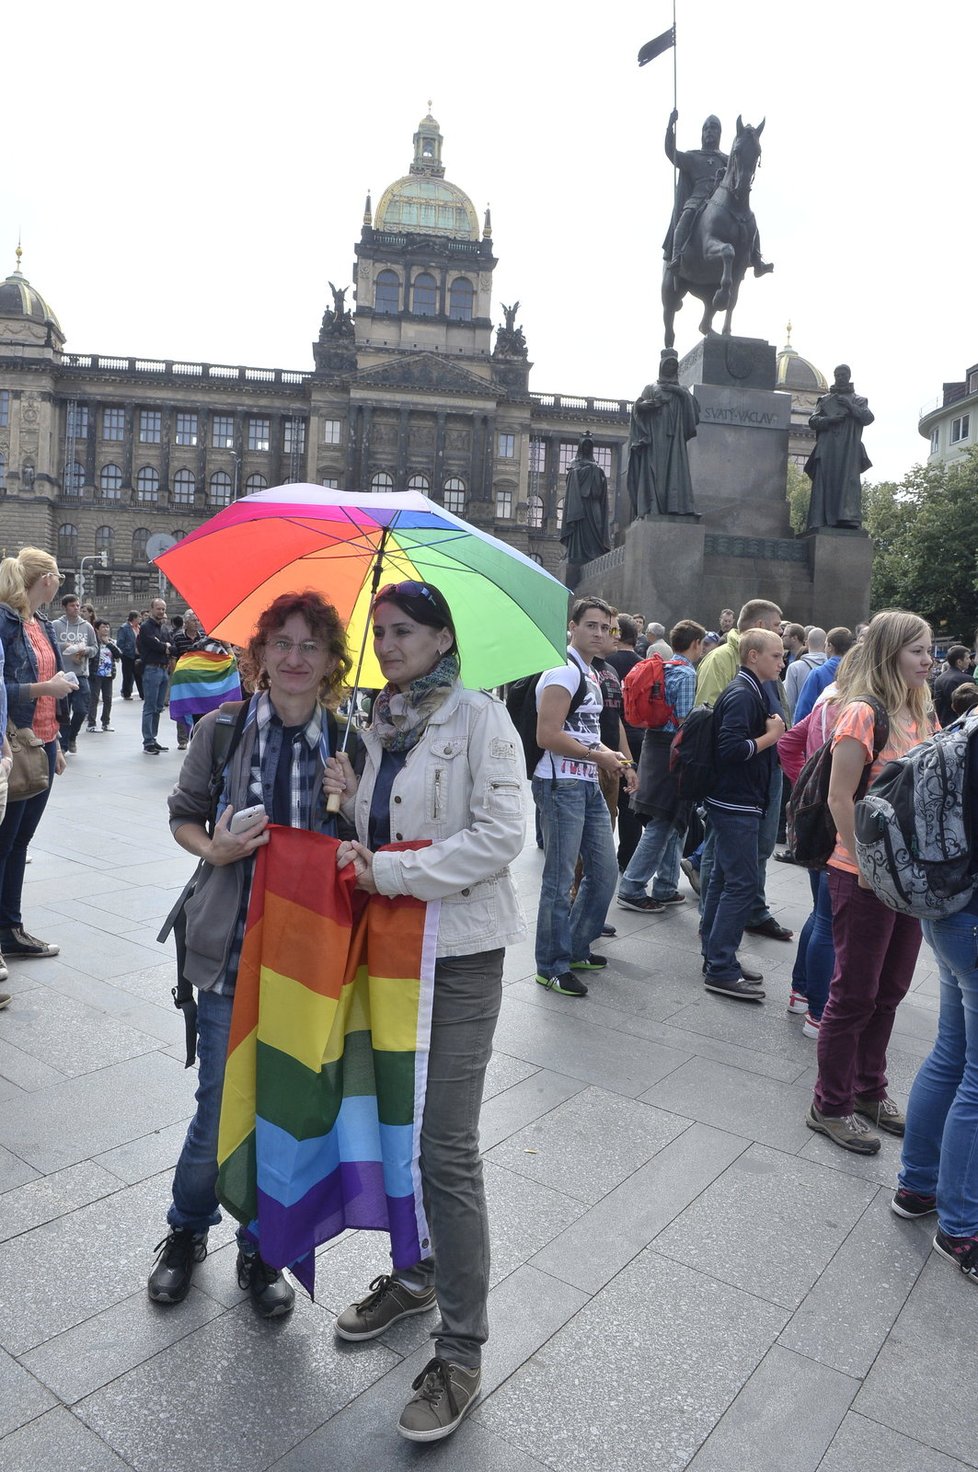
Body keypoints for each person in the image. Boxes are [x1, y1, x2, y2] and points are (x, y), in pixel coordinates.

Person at [324, 578, 526, 1443]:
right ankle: (418, 1273)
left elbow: (499, 837)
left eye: (402, 631)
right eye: (380, 632)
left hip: (463, 951)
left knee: (446, 1144)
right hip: (389, 952)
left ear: (443, 638)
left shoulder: (484, 722)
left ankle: (462, 1350)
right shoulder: (377, 723)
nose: (388, 645)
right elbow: (373, 834)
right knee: (395, 1126)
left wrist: (392, 871)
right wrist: (347, 799)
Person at [147, 591, 353, 1321]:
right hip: (231, 950)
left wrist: (353, 804)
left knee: (282, 1107)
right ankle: (185, 1230)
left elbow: (368, 852)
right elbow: (182, 814)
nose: (295, 658)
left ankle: (261, 1247)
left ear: (331, 662)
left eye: (311, 647)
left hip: (307, 960)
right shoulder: (223, 730)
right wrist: (217, 847)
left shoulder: (347, 742)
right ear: (259, 653)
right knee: (217, 1105)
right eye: (282, 644)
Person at [807, 610, 935, 1154]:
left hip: (907, 878)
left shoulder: (921, 712)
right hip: (860, 876)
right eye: (917, 651)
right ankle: (829, 1104)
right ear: (890, 653)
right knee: (853, 993)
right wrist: (863, 867)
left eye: (930, 650)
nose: (928, 660)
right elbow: (840, 797)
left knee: (890, 991)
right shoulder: (862, 712)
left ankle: (868, 1089)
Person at [893, 708, 978, 1280]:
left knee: (951, 1054)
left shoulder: (967, 725)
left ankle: (918, 1188)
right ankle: (961, 1228)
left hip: (948, 907)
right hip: (970, 918)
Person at [533, 597, 637, 998]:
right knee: (558, 881)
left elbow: (588, 730)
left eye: (606, 628)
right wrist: (600, 756)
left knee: (605, 871)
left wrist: (619, 760)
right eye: (591, 625)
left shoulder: (590, 671)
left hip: (586, 781)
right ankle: (551, 965)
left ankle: (575, 946)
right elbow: (548, 735)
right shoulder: (563, 670)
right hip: (561, 784)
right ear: (572, 626)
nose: (600, 633)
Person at [695, 598, 793, 944]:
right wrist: (769, 737)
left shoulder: (756, 682)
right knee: (735, 878)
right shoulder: (736, 681)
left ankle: (717, 949)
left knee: (733, 874)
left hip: (751, 789)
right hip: (734, 795)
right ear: (755, 652)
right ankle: (720, 958)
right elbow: (722, 740)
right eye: (777, 655)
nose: (783, 662)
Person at [0, 549, 74, 973]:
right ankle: (6, 928)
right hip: (16, 742)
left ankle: (10, 928)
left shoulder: (41, 623)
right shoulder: (7, 621)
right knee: (4, 843)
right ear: (44, 579)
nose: (60, 582)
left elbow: (52, 687)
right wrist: (43, 686)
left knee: (19, 843)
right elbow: (3, 688)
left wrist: (58, 742)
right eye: (58, 575)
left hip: (42, 742)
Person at [617, 619, 705, 913]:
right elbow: (683, 719)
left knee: (672, 819)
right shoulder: (687, 673)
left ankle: (666, 886)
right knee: (664, 821)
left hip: (652, 745)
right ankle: (632, 886)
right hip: (673, 751)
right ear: (696, 644)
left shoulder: (664, 667)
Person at [626, 354, 700, 520]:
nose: (671, 368)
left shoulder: (682, 390)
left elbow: (693, 414)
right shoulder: (651, 388)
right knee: (655, 473)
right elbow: (637, 409)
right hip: (655, 438)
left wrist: (679, 392)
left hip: (675, 439)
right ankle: (653, 507)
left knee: (675, 472)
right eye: (668, 365)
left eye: (674, 365)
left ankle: (676, 506)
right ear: (661, 366)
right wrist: (643, 406)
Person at [804, 364, 874, 530]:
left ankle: (847, 519)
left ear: (849, 376)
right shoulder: (825, 400)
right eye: (837, 375)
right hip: (827, 449)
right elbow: (813, 421)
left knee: (848, 484)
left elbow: (868, 418)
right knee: (824, 483)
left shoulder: (859, 400)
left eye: (843, 375)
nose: (840, 378)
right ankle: (820, 520)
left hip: (849, 450)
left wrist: (850, 407)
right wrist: (829, 421)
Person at [663, 111, 727, 275]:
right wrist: (670, 127)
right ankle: (677, 256)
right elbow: (672, 153)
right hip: (697, 200)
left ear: (719, 133)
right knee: (686, 216)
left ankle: (755, 257)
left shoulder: (727, 159)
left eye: (713, 128)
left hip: (721, 202)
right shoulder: (693, 157)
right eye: (706, 128)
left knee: (745, 217)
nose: (709, 131)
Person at [52, 592, 97, 753]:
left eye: (78, 605)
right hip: (62, 674)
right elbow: (50, 644)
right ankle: (63, 746)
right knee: (64, 712)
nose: (76, 608)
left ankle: (72, 736)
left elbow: (94, 648)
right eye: (72, 605)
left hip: (80, 674)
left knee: (81, 709)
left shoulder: (87, 626)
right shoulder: (56, 625)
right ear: (64, 607)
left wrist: (86, 650)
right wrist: (64, 645)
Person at [560, 432, 610, 571]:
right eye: (585, 445)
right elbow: (571, 480)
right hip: (579, 504)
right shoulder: (574, 463)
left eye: (590, 446)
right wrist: (588, 471)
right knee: (579, 530)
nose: (587, 448)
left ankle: (595, 552)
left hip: (593, 503)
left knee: (596, 528)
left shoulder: (595, 465)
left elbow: (600, 488)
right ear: (581, 447)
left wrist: (597, 473)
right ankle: (577, 552)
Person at [793, 626, 855, 721]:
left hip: (821, 727)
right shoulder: (857, 673)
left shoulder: (817, 674)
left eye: (825, 645)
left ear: (830, 646)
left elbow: (804, 708)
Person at [138, 597, 172, 754]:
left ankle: (153, 737)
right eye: (158, 608)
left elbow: (172, 647)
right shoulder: (146, 627)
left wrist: (165, 646)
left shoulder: (164, 628)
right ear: (151, 609)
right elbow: (154, 645)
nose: (161, 611)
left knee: (158, 707)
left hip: (164, 669)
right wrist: (164, 646)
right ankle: (148, 741)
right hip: (151, 669)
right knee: (150, 706)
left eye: (163, 609)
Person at [86, 621, 121, 732]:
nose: (106, 629)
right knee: (94, 699)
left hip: (108, 674)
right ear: (97, 629)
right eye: (103, 627)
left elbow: (119, 654)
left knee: (108, 699)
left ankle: (106, 722)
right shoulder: (93, 642)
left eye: (107, 627)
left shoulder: (111, 642)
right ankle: (91, 723)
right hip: (96, 674)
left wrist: (109, 644)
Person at [784, 627, 827, 718]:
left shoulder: (795, 667)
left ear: (806, 643)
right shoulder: (833, 667)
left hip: (801, 720)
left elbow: (789, 702)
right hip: (825, 720)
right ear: (825, 644)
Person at [934, 645, 972, 727]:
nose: (969, 661)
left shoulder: (939, 679)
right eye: (967, 658)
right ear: (959, 662)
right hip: (963, 724)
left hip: (943, 724)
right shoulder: (966, 679)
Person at [116, 611, 142, 699]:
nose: (140, 619)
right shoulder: (124, 628)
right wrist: (129, 649)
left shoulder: (139, 628)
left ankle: (143, 694)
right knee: (128, 675)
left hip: (138, 655)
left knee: (139, 675)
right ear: (134, 618)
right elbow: (120, 642)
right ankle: (126, 693)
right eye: (139, 617)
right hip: (128, 655)